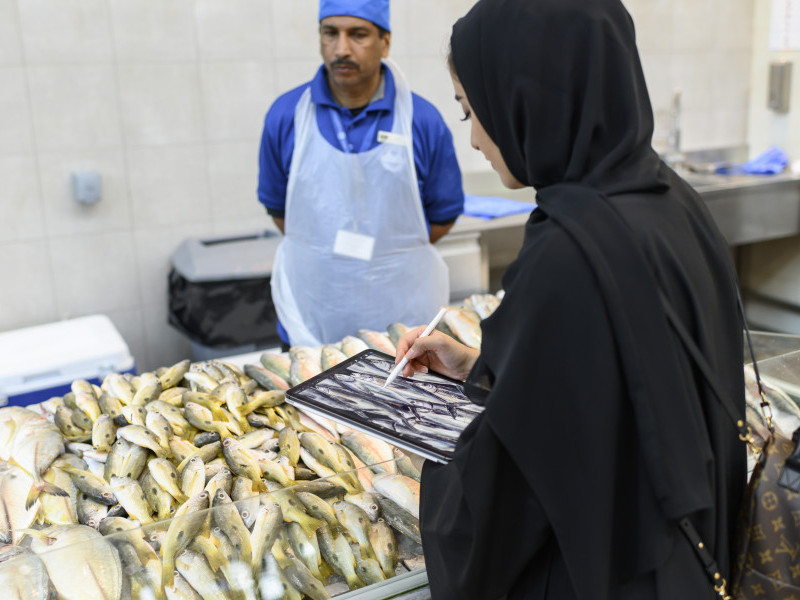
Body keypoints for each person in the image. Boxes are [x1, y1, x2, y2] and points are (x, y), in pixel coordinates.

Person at [394, 0, 746, 598]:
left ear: (525, 97)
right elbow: (609, 390)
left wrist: (432, 459)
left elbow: (503, 497)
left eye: (471, 110)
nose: (476, 138)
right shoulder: (668, 199)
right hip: (689, 552)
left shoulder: (569, 250)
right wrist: (482, 370)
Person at [258, 0, 464, 348]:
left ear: (385, 42)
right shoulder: (287, 116)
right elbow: (280, 210)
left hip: (402, 322)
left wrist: (384, 258)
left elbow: (443, 215)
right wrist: (331, 257)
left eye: (358, 35)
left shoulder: (421, 120)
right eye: (330, 33)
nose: (341, 49)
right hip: (312, 318)